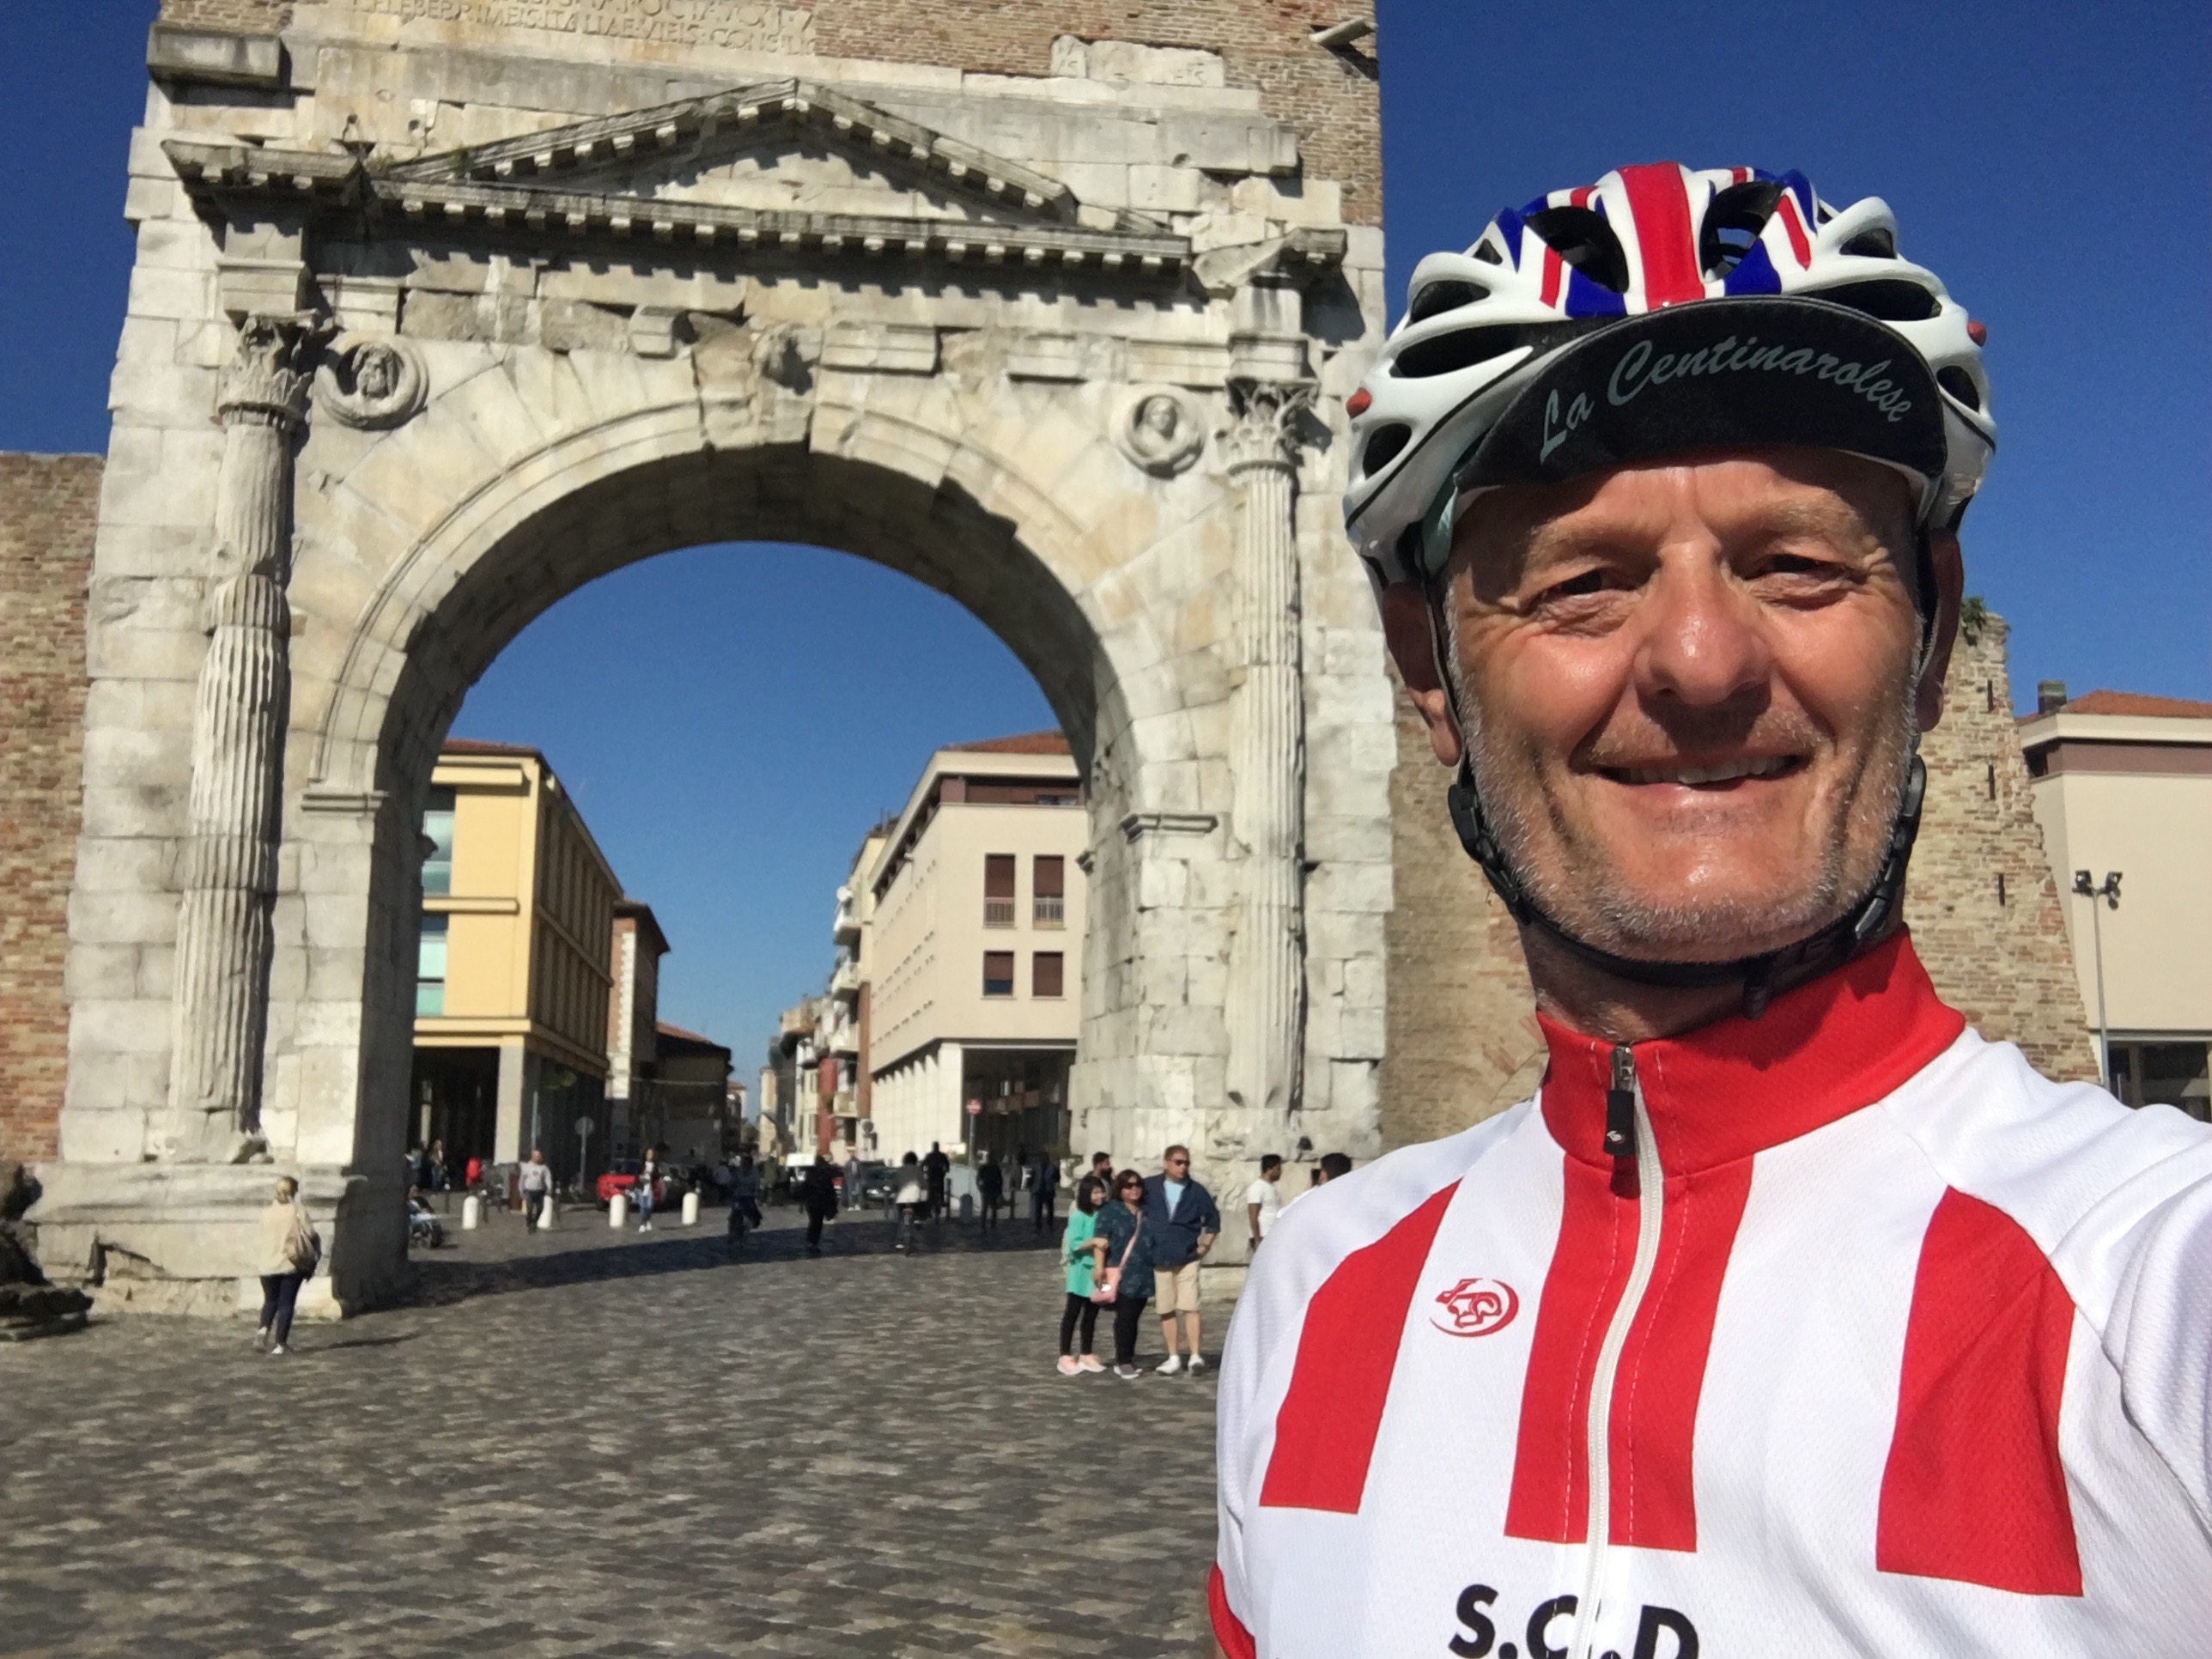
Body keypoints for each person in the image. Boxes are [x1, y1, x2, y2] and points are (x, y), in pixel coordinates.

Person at [1212, 162, 2212, 1658]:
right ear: (1431, 673)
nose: (1699, 660)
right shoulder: (1313, 1292)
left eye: (1796, 565)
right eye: (1583, 580)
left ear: (1934, 634)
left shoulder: (2161, 1277)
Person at [1142, 1146, 1218, 1374]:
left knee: (1191, 1306)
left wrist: (1205, 1245)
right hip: (1159, 1256)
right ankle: (1173, 1356)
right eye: (1178, 1162)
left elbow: (1213, 1220)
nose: (1183, 1167)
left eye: (1186, 1163)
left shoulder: (1196, 1191)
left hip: (1188, 1257)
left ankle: (1195, 1356)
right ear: (1166, 1163)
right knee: (1166, 1308)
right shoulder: (1150, 1187)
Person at [1090, 1170, 1156, 1380]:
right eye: (1128, 1185)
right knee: (1125, 1317)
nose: (1134, 1189)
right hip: (1119, 1272)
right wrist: (1098, 1268)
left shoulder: (1146, 1210)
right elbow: (1101, 1240)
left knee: (1134, 1316)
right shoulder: (1110, 1211)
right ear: (1120, 1189)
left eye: (1137, 1185)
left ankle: (1129, 1356)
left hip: (1144, 1273)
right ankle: (1123, 1360)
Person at [254, 1176, 319, 1357]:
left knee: (270, 1301)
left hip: (267, 1264)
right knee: (286, 1303)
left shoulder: (265, 1213)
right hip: (290, 1263)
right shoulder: (297, 1210)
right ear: (294, 1191)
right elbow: (310, 1233)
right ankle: (280, 1343)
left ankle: (262, 1332)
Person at [1055, 1176, 1107, 1376]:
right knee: (1073, 1312)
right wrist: (1093, 1242)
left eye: (1101, 1191)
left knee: (1092, 1313)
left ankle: (1086, 1351)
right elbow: (1074, 1244)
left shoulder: (1103, 1214)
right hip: (1080, 1271)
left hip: (1098, 1270)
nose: (1100, 1196)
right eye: (1095, 1192)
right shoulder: (1079, 1216)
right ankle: (1065, 1354)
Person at [1243, 1154, 1284, 1252]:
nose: (1280, 1172)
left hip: (1273, 1235)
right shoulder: (1257, 1187)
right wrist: (1257, 1241)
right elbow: (1253, 1216)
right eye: (1278, 1169)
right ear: (1269, 1169)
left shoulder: (1271, 1187)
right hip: (1263, 1237)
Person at [801, 1155, 837, 1254]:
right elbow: (830, 1190)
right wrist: (832, 1203)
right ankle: (813, 1242)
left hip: (812, 1203)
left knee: (814, 1222)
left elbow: (805, 1188)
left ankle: (811, 1241)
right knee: (817, 1223)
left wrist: (802, 1201)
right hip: (820, 1202)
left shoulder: (811, 1174)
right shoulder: (824, 1175)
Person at [891, 1152, 926, 1254]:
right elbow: (924, 1183)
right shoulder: (918, 1170)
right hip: (914, 1198)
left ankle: (900, 1240)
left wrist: (894, 1189)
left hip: (902, 1199)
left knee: (901, 1219)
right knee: (916, 1213)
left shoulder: (900, 1170)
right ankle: (917, 1222)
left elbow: (894, 1184)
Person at [726, 1152, 763, 1239]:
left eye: (746, 1163)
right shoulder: (738, 1171)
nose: (744, 1165)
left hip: (749, 1195)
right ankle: (732, 1230)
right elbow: (732, 1181)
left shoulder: (754, 1171)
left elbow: (757, 1183)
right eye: (743, 1163)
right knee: (734, 1212)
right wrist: (731, 1187)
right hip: (738, 1195)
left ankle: (752, 1222)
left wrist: (757, 1191)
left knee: (752, 1210)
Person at [518, 1147, 552, 1229]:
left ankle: (535, 1221)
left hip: (540, 1191)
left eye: (539, 1156)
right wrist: (521, 1190)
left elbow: (548, 1179)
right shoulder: (527, 1167)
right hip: (529, 1190)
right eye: (536, 1156)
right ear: (532, 1157)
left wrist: (549, 1188)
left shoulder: (544, 1168)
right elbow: (522, 1179)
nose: (538, 1157)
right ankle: (529, 1221)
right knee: (530, 1208)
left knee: (540, 1208)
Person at [1028, 1151, 1060, 1233]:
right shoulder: (1037, 1167)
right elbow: (1031, 1178)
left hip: (1047, 1190)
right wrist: (1031, 1187)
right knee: (1039, 1208)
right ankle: (1039, 1224)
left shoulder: (1051, 1167)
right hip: (1040, 1190)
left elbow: (1057, 1177)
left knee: (1048, 1208)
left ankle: (1048, 1223)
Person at [921, 1140, 950, 1223]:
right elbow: (948, 1167)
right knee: (941, 1192)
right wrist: (944, 1172)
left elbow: (922, 1165)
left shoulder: (930, 1156)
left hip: (931, 1178)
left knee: (930, 1195)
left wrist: (924, 1173)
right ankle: (941, 1202)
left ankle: (929, 1210)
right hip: (939, 1178)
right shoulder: (942, 1156)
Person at [976, 1152, 1005, 1232]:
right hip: (993, 1190)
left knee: (985, 1208)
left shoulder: (983, 1168)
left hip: (986, 1190)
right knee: (993, 1208)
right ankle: (992, 1224)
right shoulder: (996, 1168)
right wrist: (1000, 1191)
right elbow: (1000, 1181)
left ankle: (983, 1224)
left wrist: (980, 1188)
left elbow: (978, 1180)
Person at [635, 1146, 659, 1231]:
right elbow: (637, 1174)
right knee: (642, 1206)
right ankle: (642, 1224)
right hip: (641, 1187)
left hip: (649, 1188)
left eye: (651, 1154)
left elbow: (657, 1176)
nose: (650, 1156)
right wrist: (640, 1177)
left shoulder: (654, 1165)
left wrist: (652, 1175)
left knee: (649, 1206)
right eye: (648, 1154)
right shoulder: (641, 1164)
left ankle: (648, 1220)